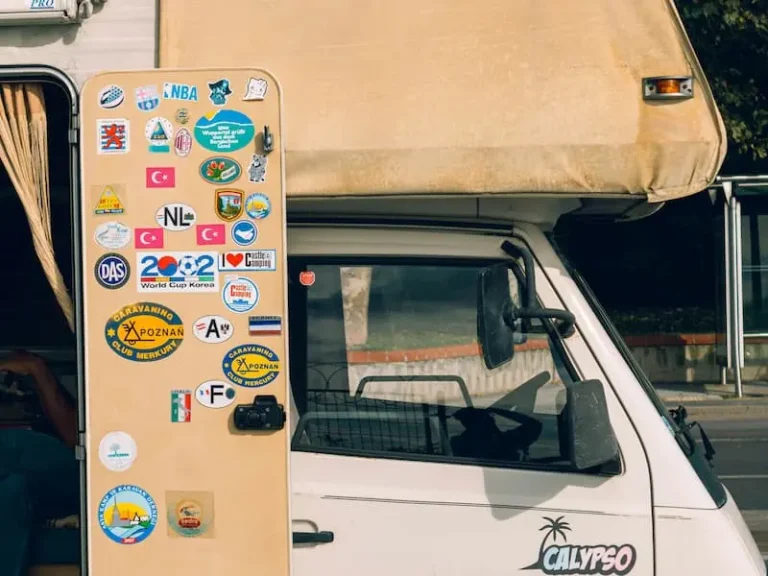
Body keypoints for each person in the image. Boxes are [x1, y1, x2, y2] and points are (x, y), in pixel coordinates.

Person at [0, 350, 79, 576]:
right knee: (10, 489)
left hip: (66, 477)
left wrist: (37, 370)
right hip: (16, 485)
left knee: (12, 448)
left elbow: (77, 439)